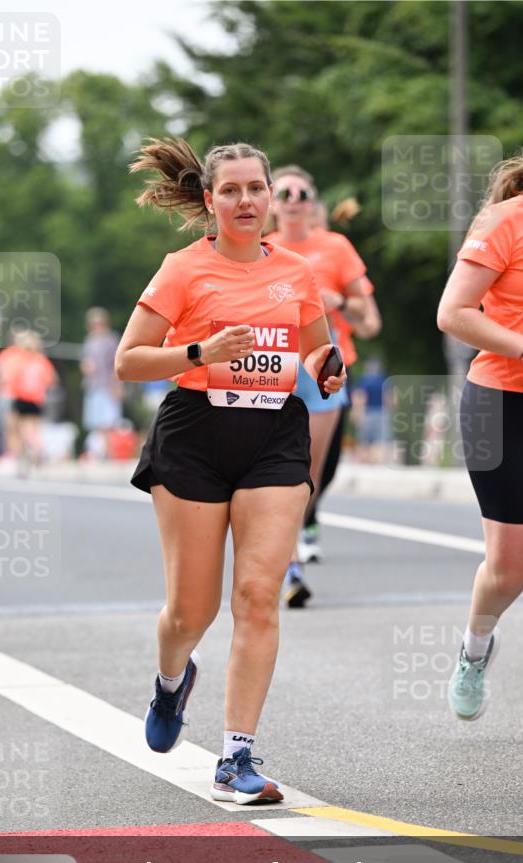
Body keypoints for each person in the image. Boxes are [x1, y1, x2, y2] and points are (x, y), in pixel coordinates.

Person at [115, 138, 345, 803]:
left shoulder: (297, 272)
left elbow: (313, 350)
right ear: (210, 200)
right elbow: (128, 360)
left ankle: (235, 757)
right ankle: (170, 682)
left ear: (270, 197)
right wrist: (198, 348)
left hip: (274, 434)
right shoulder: (183, 270)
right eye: (233, 190)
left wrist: (327, 367)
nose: (246, 201)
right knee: (192, 610)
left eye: (256, 188)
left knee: (256, 596)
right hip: (193, 433)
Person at [437, 110, 523, 763]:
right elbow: (453, 312)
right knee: (508, 566)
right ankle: (474, 646)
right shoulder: (506, 223)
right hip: (503, 404)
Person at [266, 167, 381, 603]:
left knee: (312, 474)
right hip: (270, 371)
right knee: (278, 470)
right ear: (273, 203)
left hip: (325, 373)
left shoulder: (335, 248)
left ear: (312, 202)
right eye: (284, 192)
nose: (293, 199)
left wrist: (342, 303)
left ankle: (300, 529)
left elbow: (370, 322)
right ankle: (290, 565)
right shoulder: (259, 248)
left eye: (302, 192)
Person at [0, 330, 58, 473]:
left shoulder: (21, 361)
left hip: (21, 398)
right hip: (37, 399)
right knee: (33, 430)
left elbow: (11, 379)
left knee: (19, 430)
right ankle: (36, 452)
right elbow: (52, 380)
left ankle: (24, 456)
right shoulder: (42, 361)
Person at [80, 307, 122, 436]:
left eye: (99, 323)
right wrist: (86, 367)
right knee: (96, 422)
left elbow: (117, 364)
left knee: (109, 422)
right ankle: (102, 452)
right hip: (93, 386)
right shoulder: (89, 341)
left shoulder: (112, 340)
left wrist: (116, 385)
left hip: (108, 385)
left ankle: (110, 453)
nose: (96, 327)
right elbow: (84, 362)